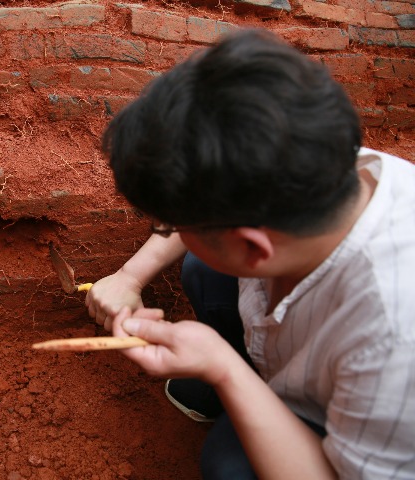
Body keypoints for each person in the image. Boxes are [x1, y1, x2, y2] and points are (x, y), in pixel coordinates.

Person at [85, 28, 415, 479]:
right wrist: (129, 276)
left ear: (254, 247)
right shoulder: (312, 157)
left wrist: (223, 369)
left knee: (230, 462)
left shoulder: (394, 339)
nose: (170, 232)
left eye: (171, 226)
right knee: (206, 265)